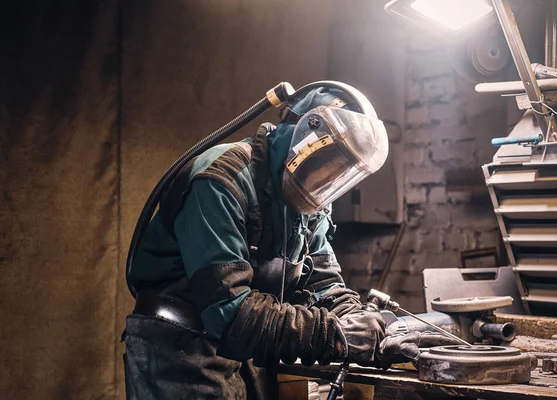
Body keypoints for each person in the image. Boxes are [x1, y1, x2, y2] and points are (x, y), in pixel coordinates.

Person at [122, 85, 452, 400]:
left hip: (241, 351)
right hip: (176, 353)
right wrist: (336, 336)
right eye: (327, 162)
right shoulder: (220, 181)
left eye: (341, 172)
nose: (329, 178)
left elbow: (325, 287)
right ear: (303, 135)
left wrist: (371, 331)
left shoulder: (311, 203)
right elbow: (231, 315)